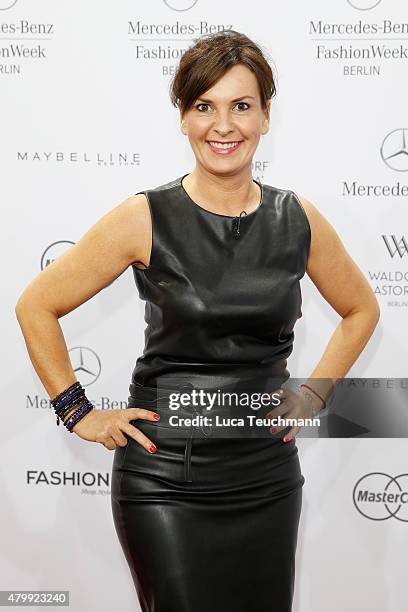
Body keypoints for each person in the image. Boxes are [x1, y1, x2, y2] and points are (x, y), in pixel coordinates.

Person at [15, 30, 380, 612]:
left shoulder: (297, 219)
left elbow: (362, 308)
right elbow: (36, 305)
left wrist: (314, 392)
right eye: (203, 106)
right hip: (163, 479)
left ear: (265, 116)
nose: (223, 125)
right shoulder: (144, 217)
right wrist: (75, 411)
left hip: (265, 473)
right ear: (182, 118)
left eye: (242, 105)